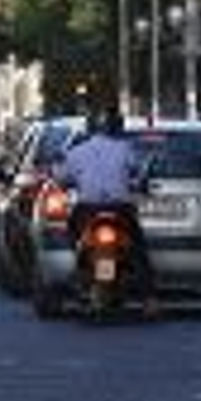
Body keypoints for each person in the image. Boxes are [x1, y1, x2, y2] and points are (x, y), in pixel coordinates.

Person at [55, 105, 157, 314]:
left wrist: (67, 184)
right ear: (116, 128)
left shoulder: (77, 151)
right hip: (120, 208)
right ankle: (149, 299)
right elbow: (139, 173)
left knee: (73, 234)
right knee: (138, 249)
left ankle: (81, 266)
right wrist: (141, 184)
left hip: (87, 209)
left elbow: (62, 178)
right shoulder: (126, 149)